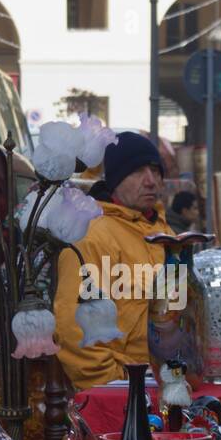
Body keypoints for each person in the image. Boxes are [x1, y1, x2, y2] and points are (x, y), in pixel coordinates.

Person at [54, 131, 171, 390]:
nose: (151, 181)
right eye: (138, 171)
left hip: (168, 383)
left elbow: (180, 311)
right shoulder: (91, 235)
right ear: (116, 179)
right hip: (124, 390)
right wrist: (116, 385)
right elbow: (75, 328)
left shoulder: (167, 235)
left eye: (155, 170)